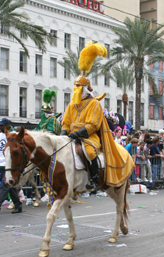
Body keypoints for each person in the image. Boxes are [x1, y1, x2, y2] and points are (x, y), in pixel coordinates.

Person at [60, 41, 134, 190]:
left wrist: (78, 133)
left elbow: (93, 125)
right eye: (76, 87)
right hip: (71, 135)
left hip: (89, 137)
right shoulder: (71, 105)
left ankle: (93, 179)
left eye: (79, 87)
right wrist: (63, 134)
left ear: (86, 89)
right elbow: (66, 123)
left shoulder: (93, 104)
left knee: (88, 151)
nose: (76, 90)